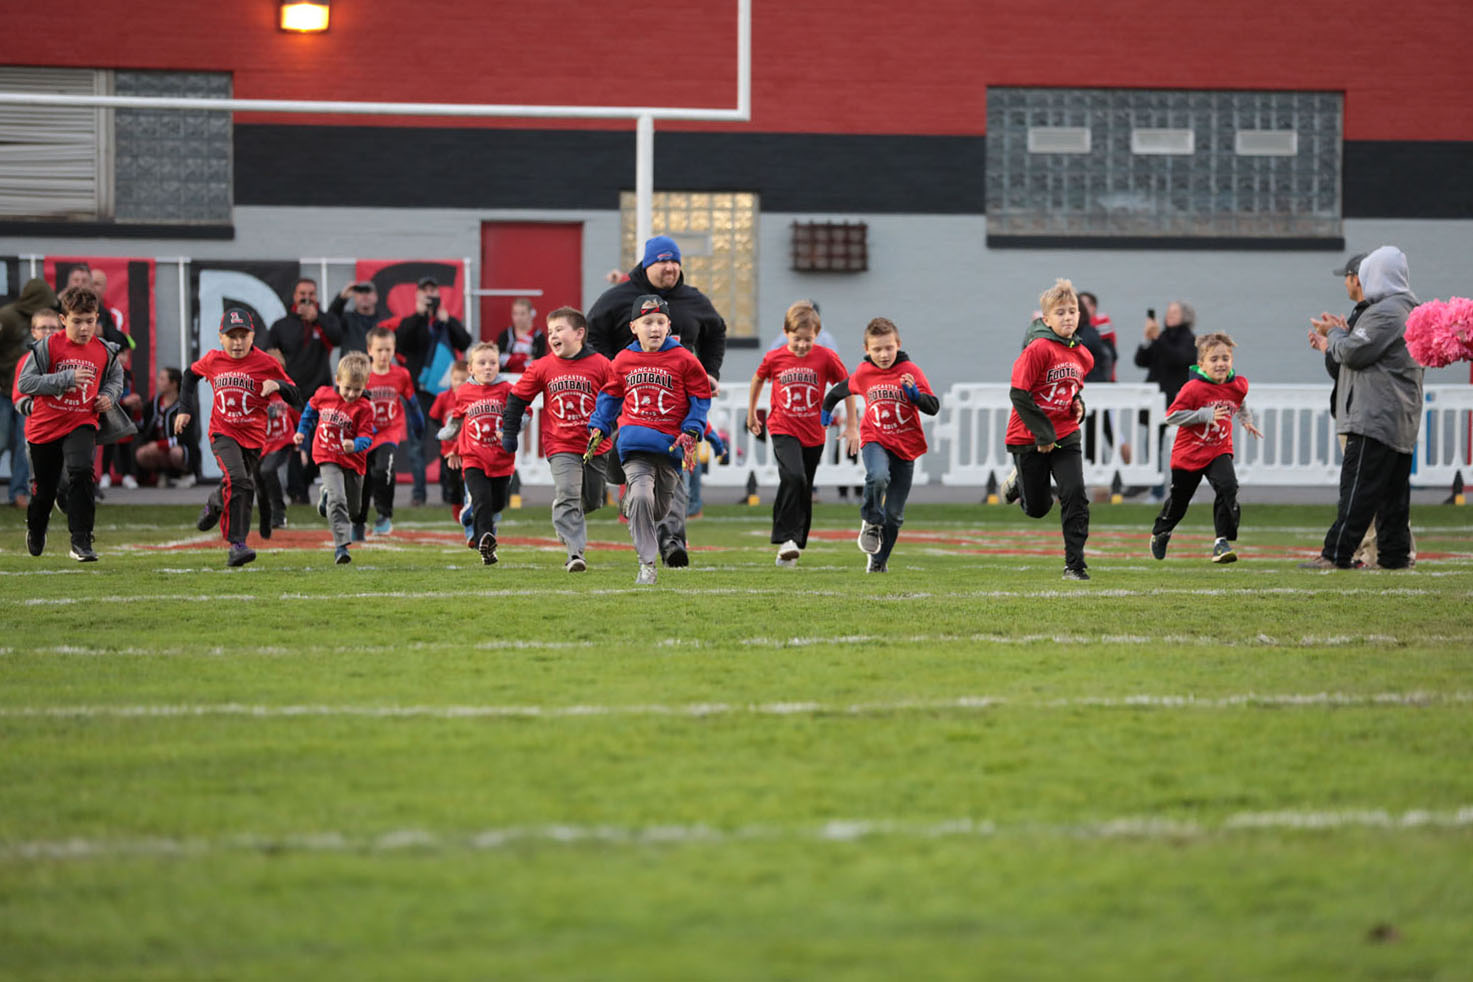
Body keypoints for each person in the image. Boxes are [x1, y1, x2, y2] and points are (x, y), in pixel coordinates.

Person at [587, 235, 726, 567]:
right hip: (631, 399)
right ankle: (630, 497)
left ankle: (673, 539)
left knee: (675, 471)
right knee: (636, 459)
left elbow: (716, 331)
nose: (671, 268)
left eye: (675, 262)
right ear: (647, 264)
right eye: (663, 262)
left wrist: (709, 371)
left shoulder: (693, 300)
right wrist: (613, 369)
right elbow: (592, 332)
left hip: (674, 397)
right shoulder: (619, 298)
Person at [1303, 246, 1424, 571]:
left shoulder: (1386, 311)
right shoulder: (1408, 308)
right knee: (1392, 495)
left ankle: (1335, 553)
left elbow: (1355, 353)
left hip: (1374, 414)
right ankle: (1395, 556)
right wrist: (1341, 336)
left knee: (1358, 489)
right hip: (1398, 415)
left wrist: (1336, 336)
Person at [177, 307, 302, 567]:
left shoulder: (266, 363)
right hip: (223, 433)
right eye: (231, 336)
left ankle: (214, 503)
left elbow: (296, 395)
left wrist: (278, 385)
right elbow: (189, 376)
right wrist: (185, 410)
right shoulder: (213, 360)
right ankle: (237, 544)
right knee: (240, 481)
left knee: (238, 484)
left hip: (254, 439)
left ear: (253, 336)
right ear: (221, 338)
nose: (237, 342)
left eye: (243, 335)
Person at [820, 316, 939, 574]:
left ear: (898, 344)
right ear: (867, 350)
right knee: (877, 476)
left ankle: (878, 560)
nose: (883, 354)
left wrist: (916, 396)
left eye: (888, 348)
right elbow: (837, 391)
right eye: (877, 349)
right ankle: (871, 520)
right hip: (875, 439)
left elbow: (933, 406)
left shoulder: (911, 372)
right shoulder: (864, 373)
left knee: (895, 515)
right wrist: (826, 410)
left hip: (905, 447)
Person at [502, 306, 613, 573]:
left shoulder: (601, 364)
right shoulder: (542, 366)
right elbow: (517, 399)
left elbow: (617, 397)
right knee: (568, 492)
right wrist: (509, 431)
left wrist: (614, 424)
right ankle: (575, 554)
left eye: (559, 329)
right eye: (550, 331)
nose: (553, 336)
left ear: (579, 334)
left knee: (593, 500)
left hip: (596, 444)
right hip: (560, 443)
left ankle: (563, 509)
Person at [17, 285, 123, 561]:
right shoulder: (46, 347)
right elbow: (25, 383)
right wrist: (64, 379)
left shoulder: (104, 350)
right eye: (77, 321)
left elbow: (115, 379)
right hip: (45, 426)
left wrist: (108, 396)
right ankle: (36, 529)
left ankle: (81, 541)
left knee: (81, 471)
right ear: (64, 321)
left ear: (97, 318)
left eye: (90, 321)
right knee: (45, 490)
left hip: (82, 421)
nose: (84, 327)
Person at [747, 300, 858, 567]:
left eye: (808, 340)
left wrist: (852, 424)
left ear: (816, 336)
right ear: (786, 333)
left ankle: (794, 544)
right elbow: (758, 378)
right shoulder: (775, 357)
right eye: (797, 339)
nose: (802, 345)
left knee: (803, 485)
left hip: (814, 432)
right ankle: (785, 538)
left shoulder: (826, 357)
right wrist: (751, 413)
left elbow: (847, 387)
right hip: (782, 427)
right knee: (793, 476)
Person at [1002, 279, 1094, 581]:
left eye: (1072, 311)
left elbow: (1069, 389)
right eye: (1061, 313)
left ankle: (1075, 565)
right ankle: (1019, 484)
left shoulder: (1083, 354)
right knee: (1038, 508)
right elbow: (1019, 393)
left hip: (1065, 433)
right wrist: (1043, 434)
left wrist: (1078, 403)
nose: (1068, 317)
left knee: (1075, 493)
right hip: (1030, 436)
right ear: (1046, 319)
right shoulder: (1038, 348)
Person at [1149, 333, 1264, 563]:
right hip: (1189, 454)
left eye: (1225, 358)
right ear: (1202, 364)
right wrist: (1205, 414)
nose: (1221, 364)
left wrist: (1246, 419)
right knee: (1179, 502)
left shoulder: (1237, 384)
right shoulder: (1194, 388)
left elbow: (1239, 400)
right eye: (1214, 359)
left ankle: (1221, 541)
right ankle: (1161, 532)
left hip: (1217, 449)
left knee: (1228, 486)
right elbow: (1172, 416)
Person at [1315, 253, 1389, 568]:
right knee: (1372, 488)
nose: (1345, 283)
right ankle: (1367, 551)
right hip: (1359, 412)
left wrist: (1333, 339)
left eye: (1346, 277)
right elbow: (1343, 367)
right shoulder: (1367, 315)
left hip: (1361, 415)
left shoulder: (1372, 315)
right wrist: (1331, 343)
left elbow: (1353, 364)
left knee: (1364, 489)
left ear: (1356, 278)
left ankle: (1372, 552)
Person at [395, 276, 471, 507]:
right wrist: (420, 316)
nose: (429, 295)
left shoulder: (446, 321)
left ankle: (449, 492)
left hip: (444, 392)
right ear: (417, 295)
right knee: (417, 443)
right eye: (424, 290)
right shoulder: (411, 321)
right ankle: (419, 494)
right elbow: (402, 344)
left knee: (448, 438)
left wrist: (448, 321)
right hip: (417, 391)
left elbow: (465, 342)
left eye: (433, 290)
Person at [294, 352, 375, 565]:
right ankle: (341, 547)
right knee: (338, 500)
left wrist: (355, 444)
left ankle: (326, 497)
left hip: (353, 461)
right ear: (337, 380)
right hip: (327, 454)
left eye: (357, 390)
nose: (350, 394)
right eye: (347, 388)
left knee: (354, 509)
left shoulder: (365, 407)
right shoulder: (323, 394)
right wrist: (302, 431)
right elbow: (310, 412)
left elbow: (368, 437)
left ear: (365, 386)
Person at [266, 278, 342, 504]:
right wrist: (272, 355)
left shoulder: (325, 320)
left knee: (323, 443)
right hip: (292, 393)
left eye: (311, 293)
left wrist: (317, 318)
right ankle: (297, 492)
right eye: (302, 293)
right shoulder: (282, 325)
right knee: (296, 442)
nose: (306, 297)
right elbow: (268, 348)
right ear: (294, 296)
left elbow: (338, 337)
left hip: (321, 393)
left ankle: (306, 483)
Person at [440, 341, 514, 566]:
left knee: (497, 503)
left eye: (492, 362)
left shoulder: (507, 390)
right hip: (473, 457)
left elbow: (523, 413)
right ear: (471, 368)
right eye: (482, 363)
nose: (488, 367)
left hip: (501, 459)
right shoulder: (464, 391)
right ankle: (485, 543)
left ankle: (472, 514)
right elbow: (458, 420)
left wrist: (510, 431)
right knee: (482, 499)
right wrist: (450, 444)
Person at [354, 326, 424, 539]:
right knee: (363, 478)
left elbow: (412, 402)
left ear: (394, 350)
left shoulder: (401, 374)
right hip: (365, 434)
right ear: (369, 350)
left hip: (389, 433)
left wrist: (419, 425)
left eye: (388, 350)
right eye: (379, 350)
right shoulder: (362, 375)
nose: (384, 355)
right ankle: (358, 522)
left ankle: (384, 516)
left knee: (383, 469)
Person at [1, 277, 58, 509]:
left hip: (29, 392)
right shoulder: (7, 317)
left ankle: (18, 493)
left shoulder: (45, 320)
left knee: (25, 442)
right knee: (2, 441)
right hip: (3, 389)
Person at [135, 368, 198, 487]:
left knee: (176, 452)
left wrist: (159, 445)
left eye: (162, 379)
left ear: (173, 384)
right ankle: (163, 474)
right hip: (161, 450)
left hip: (178, 449)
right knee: (141, 454)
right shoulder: (154, 403)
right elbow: (142, 428)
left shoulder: (184, 407)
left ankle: (187, 474)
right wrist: (137, 411)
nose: (158, 381)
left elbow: (185, 437)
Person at [428, 359, 469, 520]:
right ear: (451, 378)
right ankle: (456, 508)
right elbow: (433, 418)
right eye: (456, 379)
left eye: (463, 379)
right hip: (448, 450)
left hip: (466, 450)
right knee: (451, 482)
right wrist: (443, 433)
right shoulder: (443, 397)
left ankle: (467, 507)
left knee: (465, 480)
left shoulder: (471, 398)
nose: (459, 383)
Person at [257, 390, 299, 535]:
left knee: (267, 470)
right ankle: (269, 517)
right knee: (259, 484)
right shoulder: (251, 393)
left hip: (283, 442)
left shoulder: (284, 393)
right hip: (261, 446)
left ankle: (279, 512)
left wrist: (301, 439)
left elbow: (299, 416)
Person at [495, 297, 548, 374]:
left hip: (531, 378)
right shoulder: (505, 335)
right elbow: (499, 359)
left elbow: (540, 363)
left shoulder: (539, 336)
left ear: (530, 314)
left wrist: (512, 359)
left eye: (522, 314)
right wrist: (524, 358)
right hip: (507, 377)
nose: (518, 318)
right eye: (515, 313)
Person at [327, 280, 381, 354]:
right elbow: (330, 319)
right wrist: (341, 298)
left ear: (376, 297)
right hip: (351, 364)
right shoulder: (346, 319)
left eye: (368, 291)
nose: (364, 296)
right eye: (360, 292)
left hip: (375, 365)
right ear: (354, 297)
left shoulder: (384, 322)